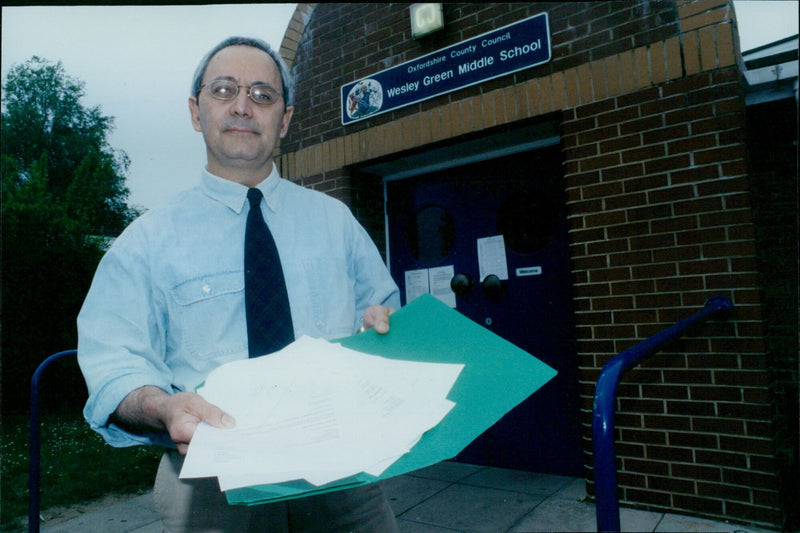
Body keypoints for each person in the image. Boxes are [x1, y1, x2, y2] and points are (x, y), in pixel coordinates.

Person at [77, 36, 401, 533]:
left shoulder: (336, 222)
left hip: (345, 479)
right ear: (196, 111)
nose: (244, 106)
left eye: (262, 94)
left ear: (285, 120)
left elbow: (382, 311)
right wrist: (163, 406)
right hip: (210, 487)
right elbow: (114, 361)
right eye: (224, 90)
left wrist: (386, 329)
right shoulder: (143, 243)